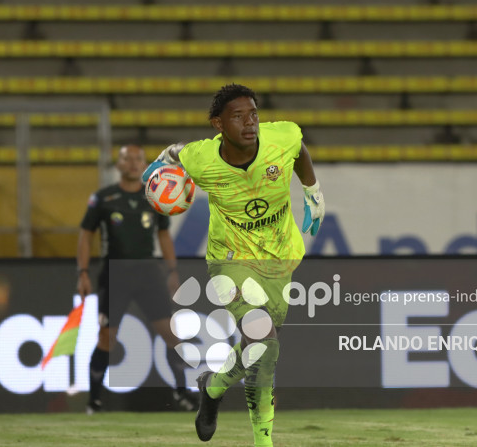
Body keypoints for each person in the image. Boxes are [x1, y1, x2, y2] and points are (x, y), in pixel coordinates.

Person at [143, 83, 325, 447]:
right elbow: (173, 155)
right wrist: (158, 167)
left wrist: (312, 191)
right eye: (238, 116)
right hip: (230, 260)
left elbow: (299, 150)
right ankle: (263, 440)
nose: (250, 122)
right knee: (264, 341)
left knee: (258, 347)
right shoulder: (201, 158)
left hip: (278, 256)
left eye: (254, 113)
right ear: (218, 125)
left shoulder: (282, 136)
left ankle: (213, 387)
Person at [76, 144, 197, 414]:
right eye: (127, 159)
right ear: (118, 165)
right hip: (115, 272)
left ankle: (183, 393)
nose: (133, 163)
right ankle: (94, 401)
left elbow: (163, 235)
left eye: (138, 159)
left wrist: (172, 270)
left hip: (147, 272)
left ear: (145, 165)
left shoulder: (154, 196)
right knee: (107, 337)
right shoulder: (103, 198)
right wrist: (82, 272)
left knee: (170, 334)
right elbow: (86, 233)